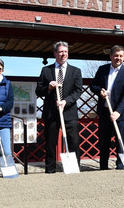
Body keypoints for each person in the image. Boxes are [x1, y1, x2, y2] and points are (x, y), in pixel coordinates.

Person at [35, 41, 83, 173]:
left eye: (65, 52)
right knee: (50, 144)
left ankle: (74, 169)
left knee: (73, 143)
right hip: (51, 112)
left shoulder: (76, 71)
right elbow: (38, 91)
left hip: (69, 112)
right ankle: (50, 170)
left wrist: (65, 101)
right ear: (55, 53)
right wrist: (49, 88)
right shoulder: (46, 70)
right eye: (61, 52)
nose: (63, 54)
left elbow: (78, 91)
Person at [90, 45, 124, 170]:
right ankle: (103, 167)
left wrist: (118, 111)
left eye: (121, 56)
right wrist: (100, 91)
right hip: (104, 112)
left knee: (120, 142)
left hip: (120, 114)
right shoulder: (102, 69)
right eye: (116, 55)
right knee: (104, 141)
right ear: (110, 56)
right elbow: (93, 86)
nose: (118, 58)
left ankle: (120, 166)